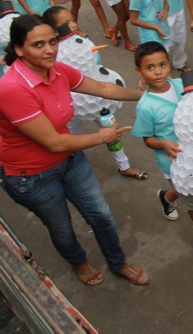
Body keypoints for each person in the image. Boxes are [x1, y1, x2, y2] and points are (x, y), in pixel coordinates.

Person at [0, 15, 148, 286]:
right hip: (32, 176)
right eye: (38, 45)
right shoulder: (12, 88)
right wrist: (102, 137)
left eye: (53, 41)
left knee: (101, 215)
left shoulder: (57, 70)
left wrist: (149, 95)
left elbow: (102, 87)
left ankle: (118, 262)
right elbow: (53, 142)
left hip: (70, 159)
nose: (50, 50)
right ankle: (79, 262)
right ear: (19, 49)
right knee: (62, 228)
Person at [131, 42, 193, 256]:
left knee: (186, 190)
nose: (158, 72)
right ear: (139, 71)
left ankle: (167, 197)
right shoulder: (146, 106)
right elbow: (147, 139)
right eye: (150, 67)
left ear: (169, 64)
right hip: (176, 161)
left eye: (162, 65)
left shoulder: (181, 85)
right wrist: (163, 144)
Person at [42, 5, 149, 181]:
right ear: (53, 30)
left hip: (97, 98)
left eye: (73, 20)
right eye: (66, 23)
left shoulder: (83, 42)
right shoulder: (52, 54)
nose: (73, 25)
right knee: (70, 137)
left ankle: (124, 166)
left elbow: (97, 69)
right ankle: (69, 168)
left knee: (111, 131)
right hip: (72, 103)